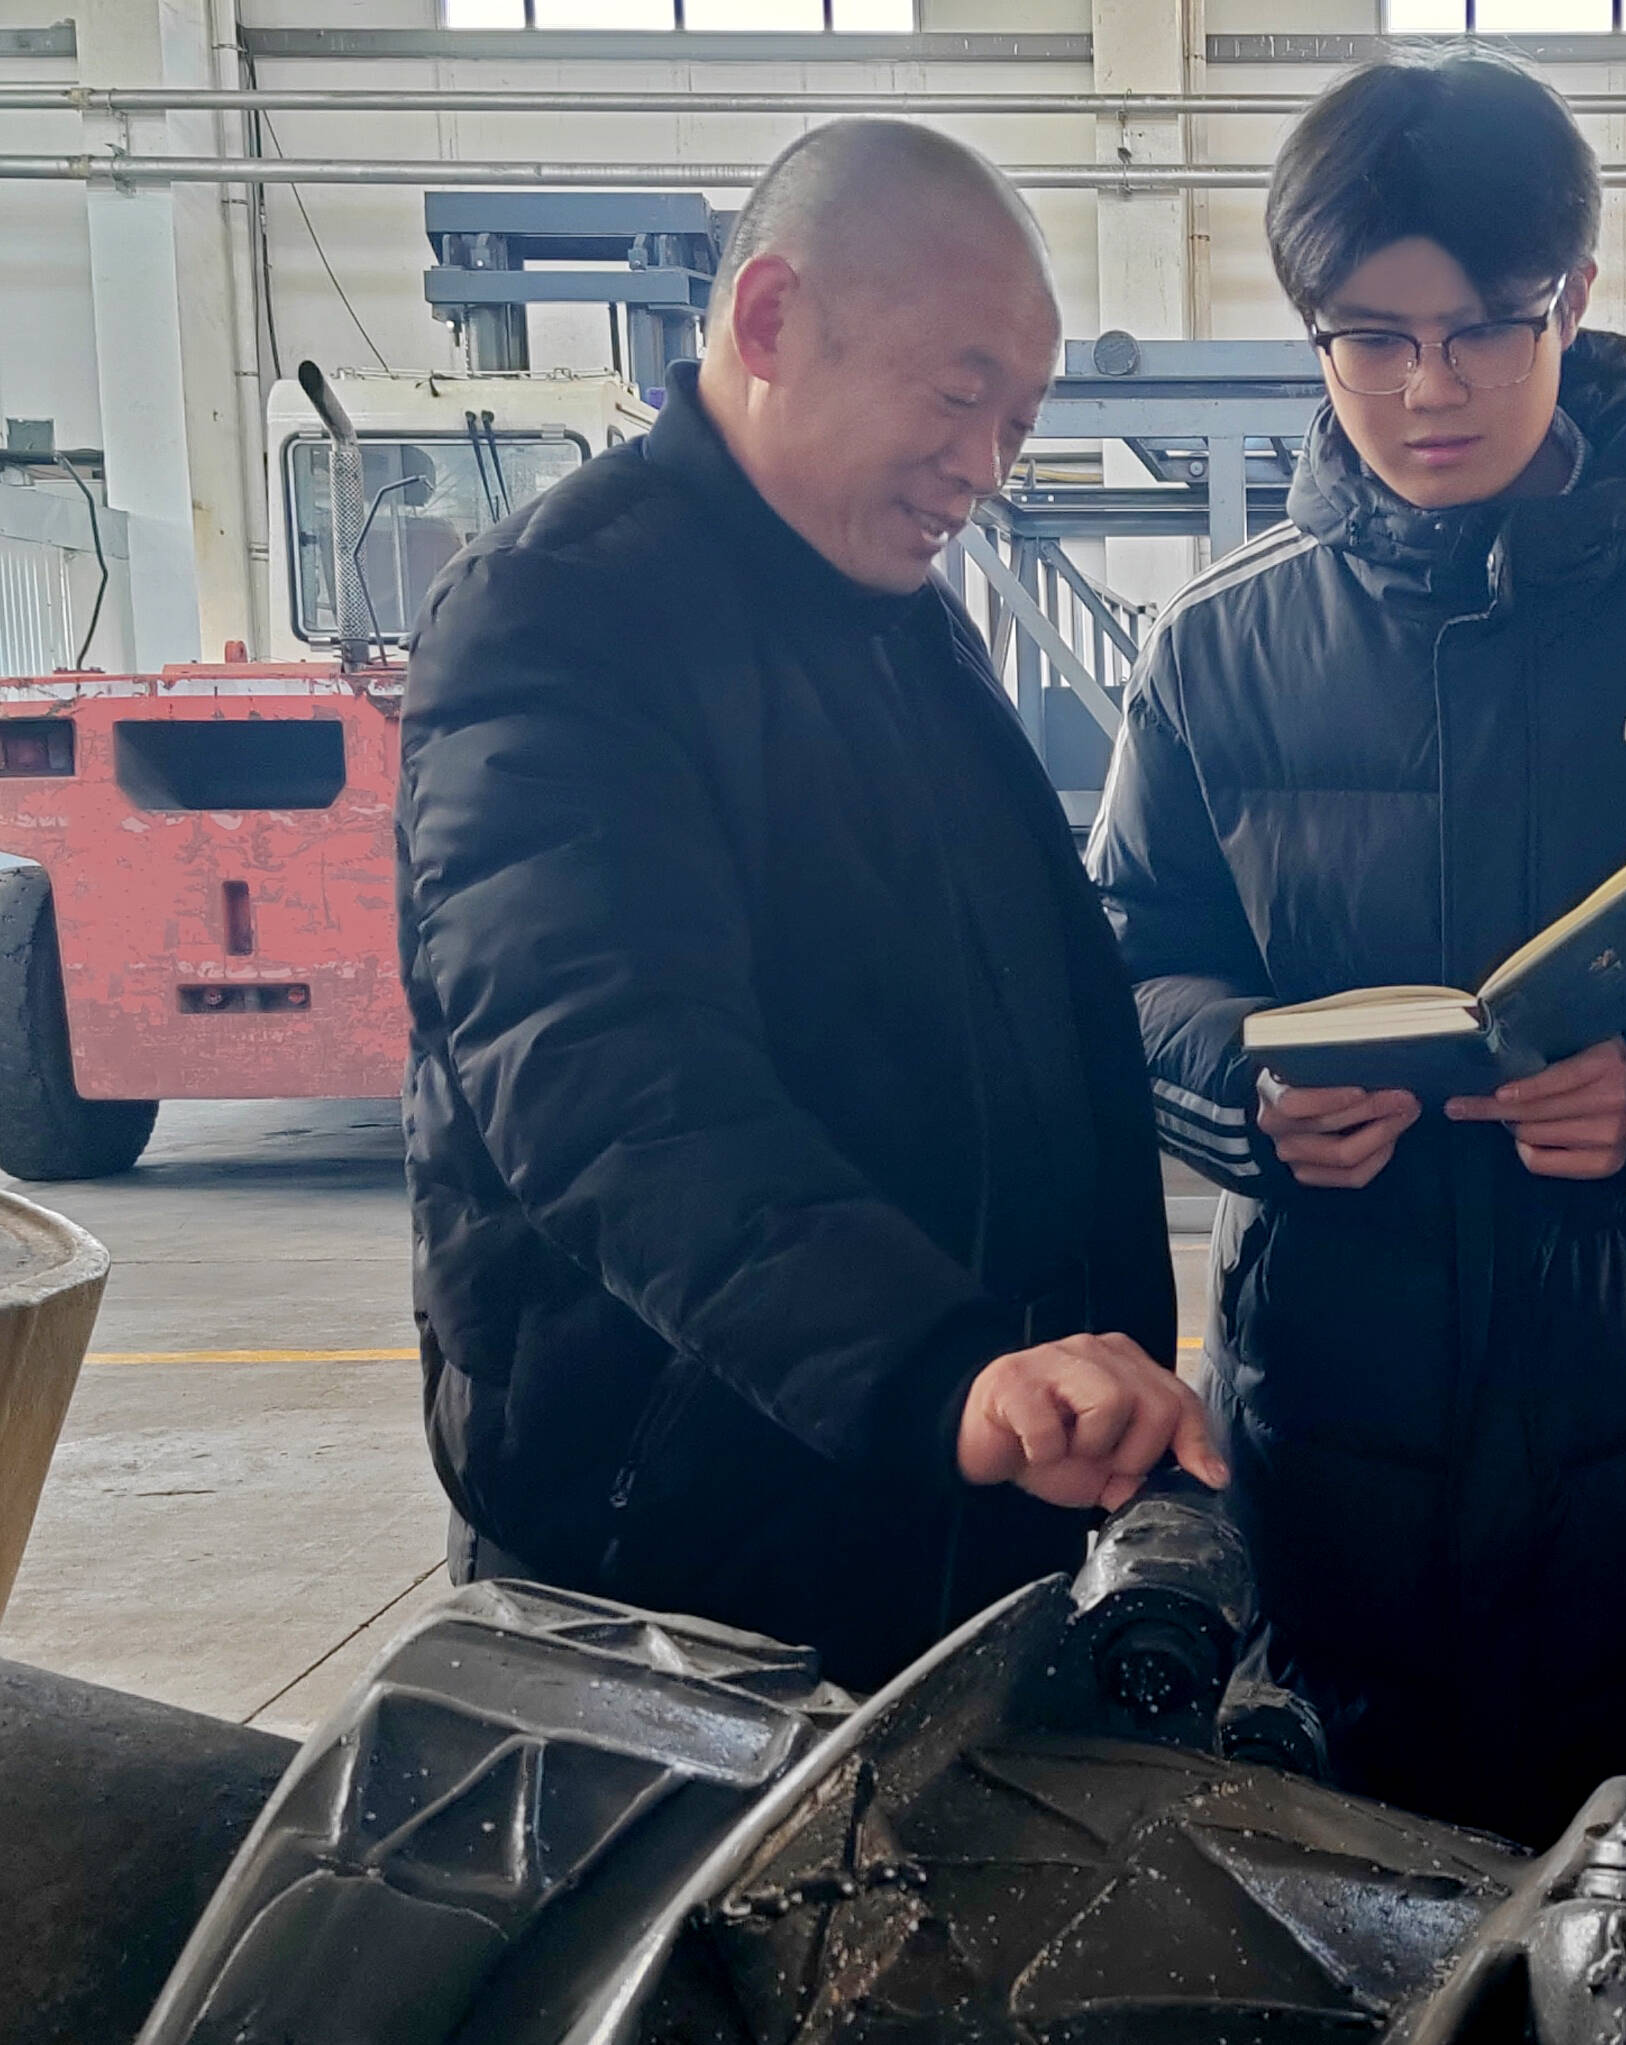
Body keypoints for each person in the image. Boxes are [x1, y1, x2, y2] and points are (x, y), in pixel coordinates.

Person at [1084, 55, 1626, 2031]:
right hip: (1341, 1487)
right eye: (1370, 337)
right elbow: (1128, 965)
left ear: (1576, 296)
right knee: (1371, 1982)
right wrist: (1246, 1093)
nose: (1429, 387)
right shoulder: (1217, 647)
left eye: (1485, 325)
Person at [398, 119, 1222, 1693]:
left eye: (1018, 422)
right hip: (688, 1577)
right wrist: (931, 1367)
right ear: (771, 319)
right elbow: (603, 1081)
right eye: (959, 395)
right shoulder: (564, 613)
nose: (984, 467)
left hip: (927, 1517)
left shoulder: (903, 629)